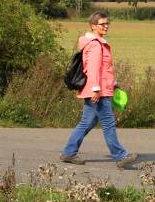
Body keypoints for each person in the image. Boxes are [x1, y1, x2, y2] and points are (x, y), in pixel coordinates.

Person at [59, 12, 137, 167]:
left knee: (86, 123)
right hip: (98, 91)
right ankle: (120, 156)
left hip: (100, 88)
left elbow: (103, 69)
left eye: (108, 23)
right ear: (93, 26)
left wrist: (112, 83)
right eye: (102, 24)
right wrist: (96, 89)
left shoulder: (97, 43)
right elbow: (93, 69)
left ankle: (68, 153)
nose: (106, 26)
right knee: (108, 122)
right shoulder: (95, 45)